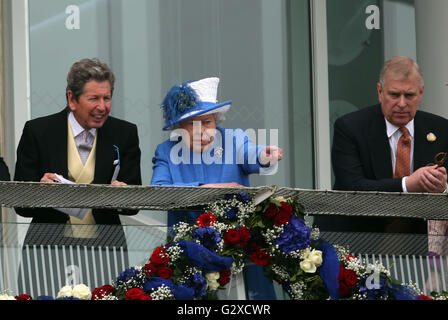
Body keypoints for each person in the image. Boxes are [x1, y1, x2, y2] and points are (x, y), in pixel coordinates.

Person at [14, 58, 142, 295]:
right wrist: (38, 190)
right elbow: (21, 206)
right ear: (72, 99)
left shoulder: (125, 133)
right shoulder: (38, 131)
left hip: (105, 249)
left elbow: (133, 203)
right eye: (94, 98)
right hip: (47, 249)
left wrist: (122, 195)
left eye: (107, 98)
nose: (102, 106)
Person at [151, 77, 283, 299]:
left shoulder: (234, 140)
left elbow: (251, 154)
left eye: (208, 122)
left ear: (216, 121)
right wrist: (207, 188)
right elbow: (159, 191)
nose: (202, 131)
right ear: (179, 127)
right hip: (188, 253)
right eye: (193, 124)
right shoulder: (166, 151)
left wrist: (264, 156)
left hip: (238, 251)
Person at [314, 56, 448, 237]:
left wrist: (442, 187)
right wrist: (408, 184)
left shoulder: (441, 129)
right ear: (380, 91)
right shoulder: (350, 127)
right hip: (359, 237)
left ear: (421, 92)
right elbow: (353, 186)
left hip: (419, 243)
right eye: (394, 95)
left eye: (409, 95)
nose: (401, 104)